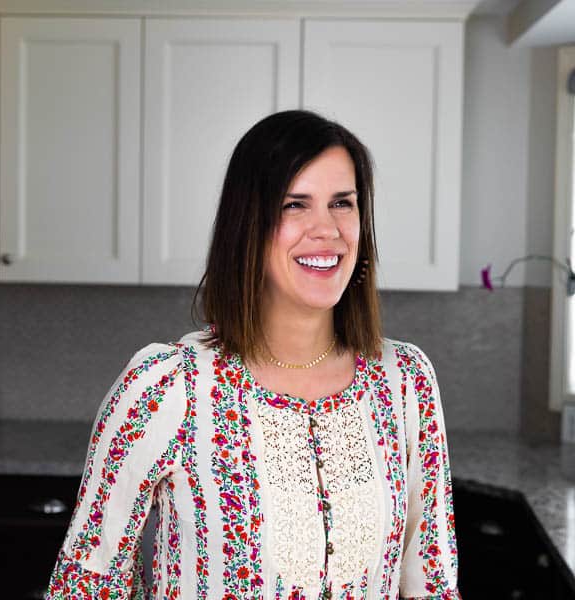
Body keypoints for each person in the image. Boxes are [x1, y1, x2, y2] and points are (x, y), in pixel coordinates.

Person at [45, 110, 461, 599]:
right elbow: (88, 580)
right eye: (294, 205)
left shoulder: (406, 381)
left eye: (342, 203)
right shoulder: (168, 386)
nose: (326, 229)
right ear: (249, 224)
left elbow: (431, 577)